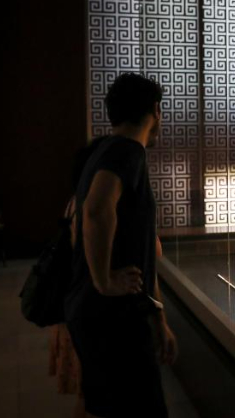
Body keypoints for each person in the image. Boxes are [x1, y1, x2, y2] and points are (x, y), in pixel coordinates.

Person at [65, 73, 177, 418]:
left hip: (102, 313)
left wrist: (158, 317)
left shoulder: (103, 150)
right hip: (113, 318)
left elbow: (138, 250)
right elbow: (96, 210)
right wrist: (105, 280)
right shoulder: (127, 152)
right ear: (155, 110)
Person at [49, 136, 106, 418]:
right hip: (89, 311)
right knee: (93, 397)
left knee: (89, 397)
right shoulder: (92, 208)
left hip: (71, 308)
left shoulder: (73, 202)